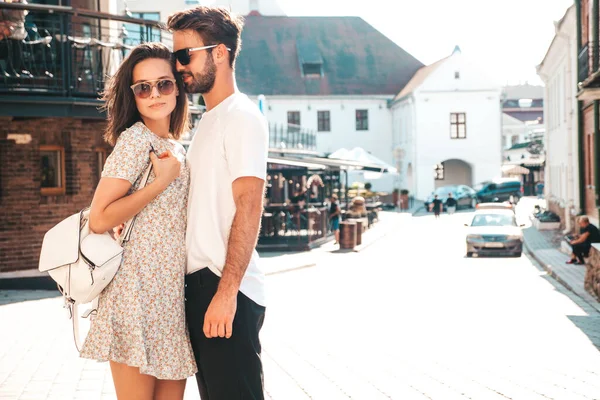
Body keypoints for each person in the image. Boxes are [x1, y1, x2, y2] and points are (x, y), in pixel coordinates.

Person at [80, 43, 197, 399]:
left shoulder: (175, 145)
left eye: (163, 84)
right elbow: (99, 218)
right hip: (135, 295)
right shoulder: (134, 141)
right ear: (134, 96)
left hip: (170, 298)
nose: (155, 94)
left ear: (177, 86)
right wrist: (161, 182)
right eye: (143, 87)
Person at [168, 7, 268, 399]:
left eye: (185, 55)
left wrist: (226, 293)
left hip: (224, 287)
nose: (179, 68)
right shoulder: (210, 119)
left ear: (220, 53)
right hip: (202, 285)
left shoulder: (241, 117)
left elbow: (249, 205)